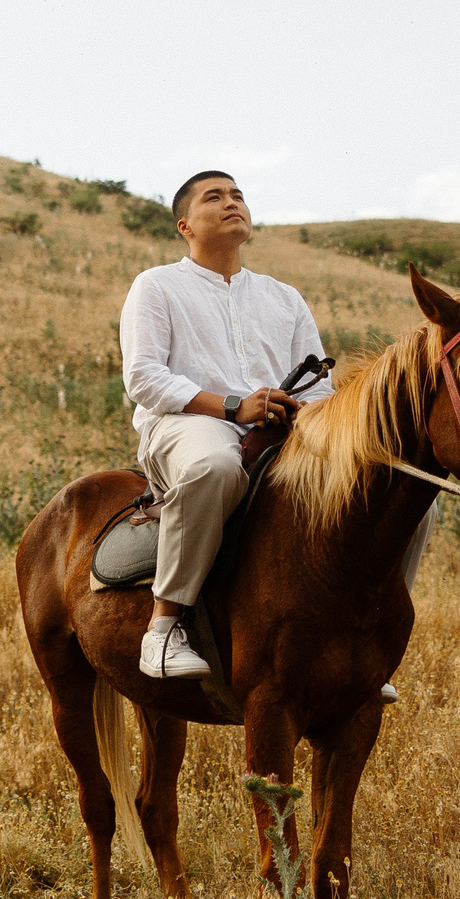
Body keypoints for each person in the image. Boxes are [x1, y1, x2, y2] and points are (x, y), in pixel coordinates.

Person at [119, 171, 419, 687]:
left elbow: (319, 391)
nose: (232, 202)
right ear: (184, 225)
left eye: (238, 195)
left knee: (399, 482)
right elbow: (144, 377)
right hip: (186, 424)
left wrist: (299, 413)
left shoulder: (284, 297)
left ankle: (375, 628)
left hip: (282, 429)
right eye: (215, 197)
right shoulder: (157, 286)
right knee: (215, 467)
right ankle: (164, 626)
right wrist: (235, 407)